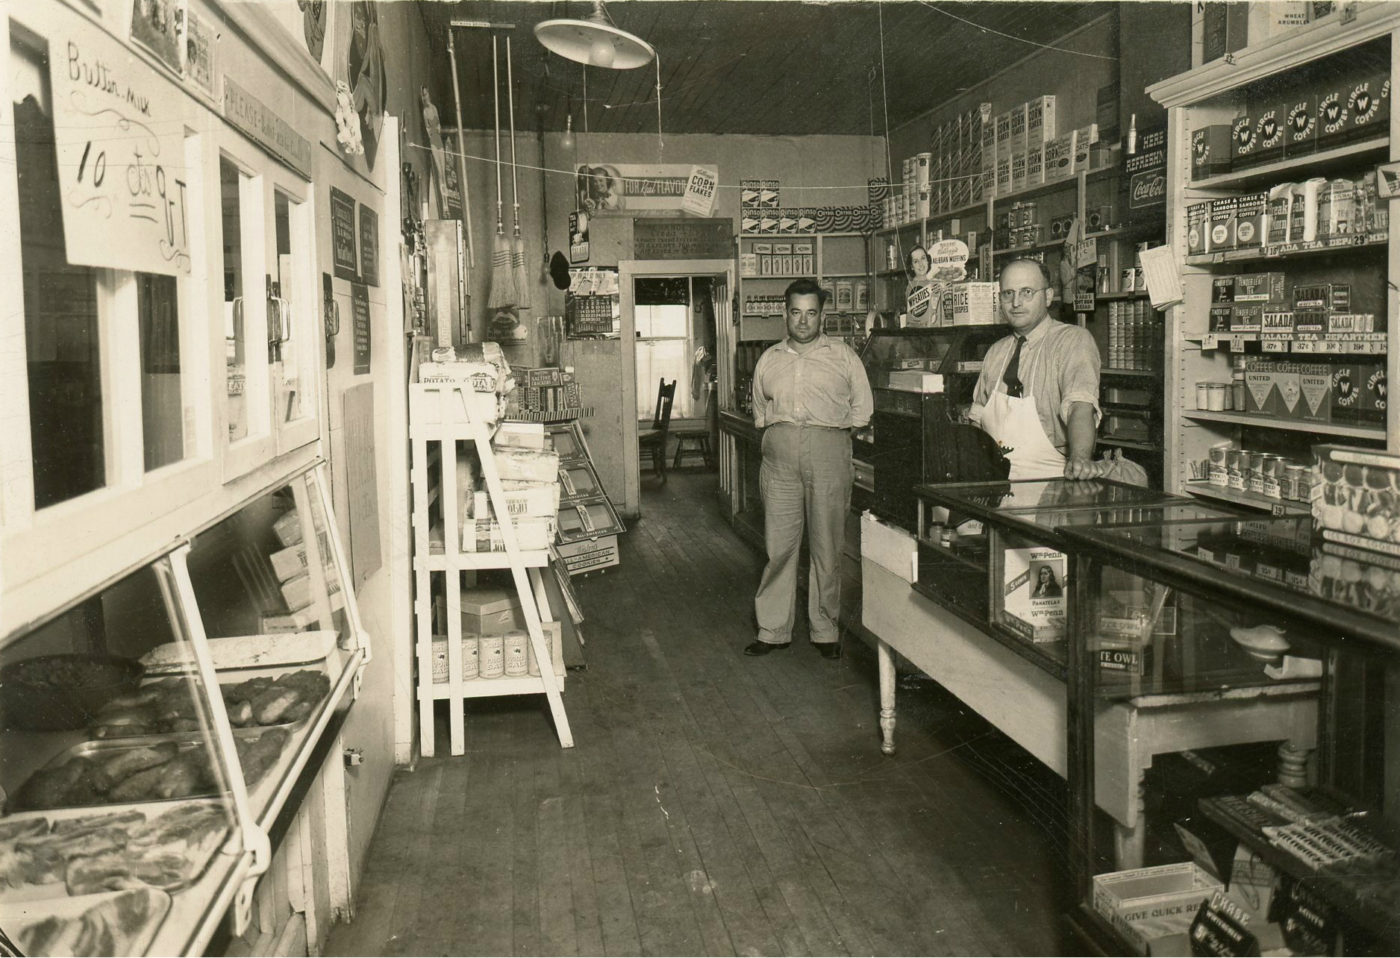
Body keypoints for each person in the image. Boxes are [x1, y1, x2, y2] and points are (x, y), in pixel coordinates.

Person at [747, 279, 873, 660]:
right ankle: (772, 630)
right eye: (796, 312)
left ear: (822, 315)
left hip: (829, 454)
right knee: (779, 547)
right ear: (785, 313)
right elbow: (760, 412)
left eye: (811, 313)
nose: (803, 321)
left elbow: (862, 412)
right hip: (780, 459)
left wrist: (824, 437)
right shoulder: (769, 359)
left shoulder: (844, 357)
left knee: (826, 546)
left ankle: (825, 629)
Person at [970, 258, 1105, 481]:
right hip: (994, 479)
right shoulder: (995, 351)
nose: (1016, 303)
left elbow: (1080, 406)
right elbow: (978, 418)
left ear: (1048, 296)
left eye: (1027, 292)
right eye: (1008, 294)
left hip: (1052, 480)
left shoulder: (1072, 340)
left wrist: (1080, 457)